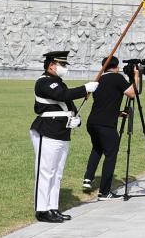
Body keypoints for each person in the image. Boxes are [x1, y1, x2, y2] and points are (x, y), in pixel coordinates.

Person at [31, 50, 97, 223]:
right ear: (51, 65)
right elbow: (62, 96)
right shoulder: (44, 82)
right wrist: (85, 88)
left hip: (62, 131)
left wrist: (76, 120)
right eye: (61, 64)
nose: (64, 67)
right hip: (47, 130)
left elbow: (68, 105)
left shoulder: (59, 83)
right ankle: (42, 210)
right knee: (45, 171)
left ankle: (52, 207)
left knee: (57, 173)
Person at [82, 56, 135, 200]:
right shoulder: (117, 78)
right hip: (105, 124)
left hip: (93, 122)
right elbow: (132, 94)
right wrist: (136, 76)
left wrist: (118, 113)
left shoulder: (99, 78)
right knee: (111, 154)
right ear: (116, 67)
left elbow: (105, 102)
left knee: (97, 148)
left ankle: (88, 178)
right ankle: (104, 192)